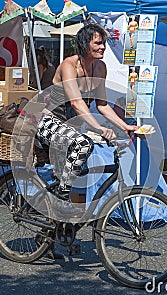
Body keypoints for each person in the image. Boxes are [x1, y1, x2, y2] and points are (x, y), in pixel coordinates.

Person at [36, 23, 139, 208]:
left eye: (104, 43)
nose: (103, 47)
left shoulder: (100, 68)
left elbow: (102, 105)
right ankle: (61, 198)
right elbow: (76, 103)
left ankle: (57, 219)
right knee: (83, 144)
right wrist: (99, 128)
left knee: (87, 151)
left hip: (71, 126)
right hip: (47, 120)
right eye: (98, 43)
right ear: (84, 44)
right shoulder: (69, 65)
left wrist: (126, 126)